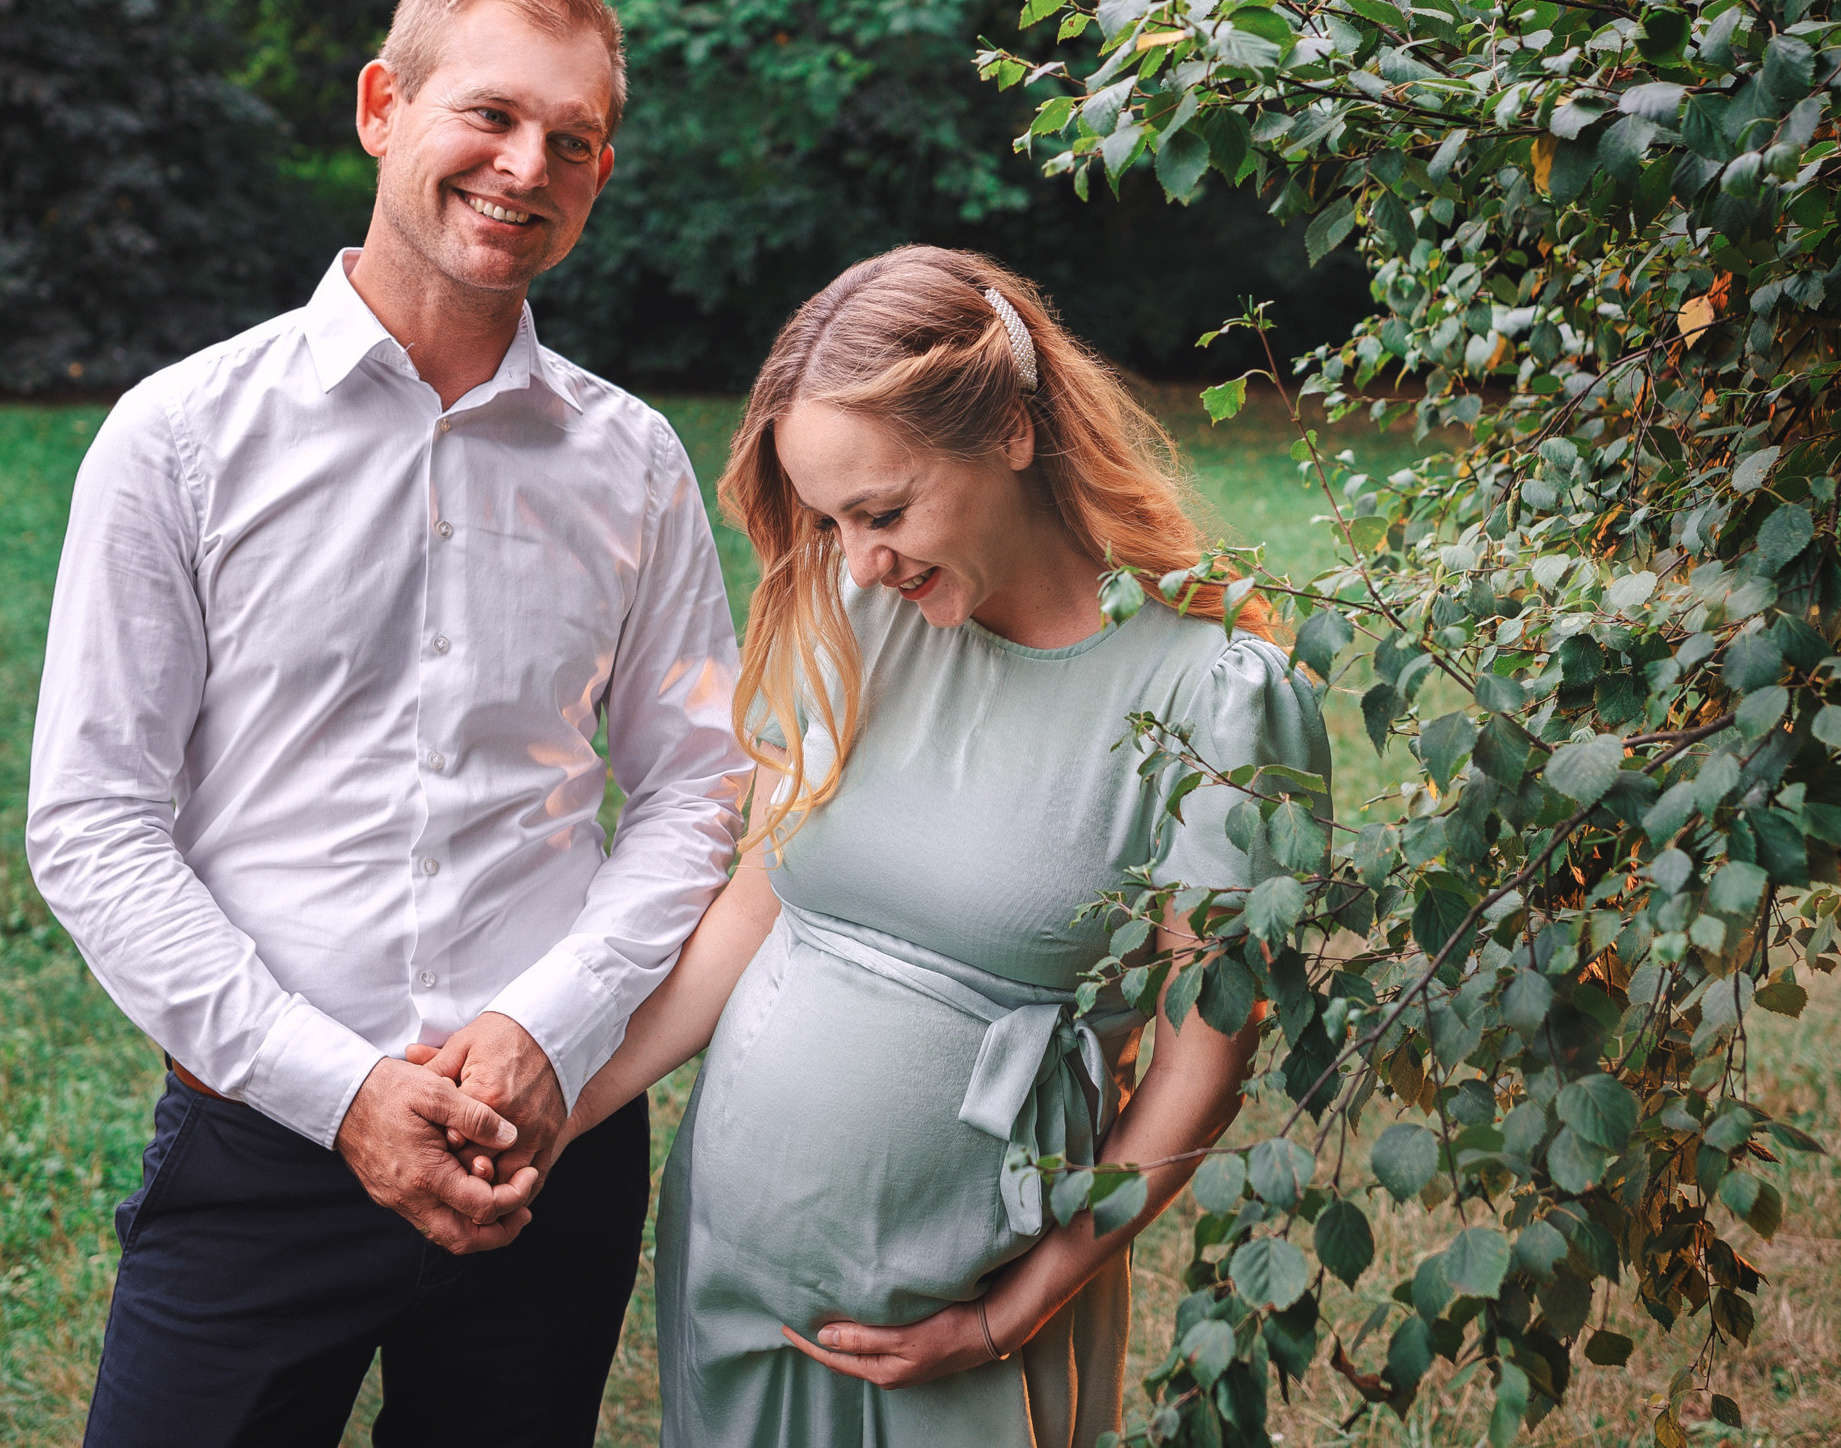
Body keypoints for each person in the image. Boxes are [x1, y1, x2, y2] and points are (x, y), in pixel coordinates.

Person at [24, 0, 750, 1448]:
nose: (524, 165)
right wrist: (343, 1089)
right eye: (489, 113)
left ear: (601, 169)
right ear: (382, 105)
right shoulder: (177, 437)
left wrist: (552, 1027)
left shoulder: (634, 462)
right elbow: (95, 820)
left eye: (571, 139)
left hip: (543, 1148)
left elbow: (700, 783)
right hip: (261, 1137)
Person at [542, 245, 1331, 1444]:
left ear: (1012, 431)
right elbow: (759, 907)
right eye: (831, 519)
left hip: (960, 1326)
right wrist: (569, 1102)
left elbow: (1199, 1059)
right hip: (734, 1276)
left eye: (885, 509)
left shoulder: (1217, 693)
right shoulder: (862, 615)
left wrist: (1010, 1313)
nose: (858, 559)